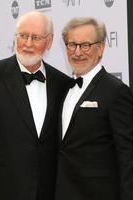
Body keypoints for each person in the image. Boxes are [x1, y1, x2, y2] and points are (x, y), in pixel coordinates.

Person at [0, 11, 70, 200]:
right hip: (0, 188)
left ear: (49, 42)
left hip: (48, 190)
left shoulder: (63, 83)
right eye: (23, 36)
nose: (28, 44)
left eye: (36, 37)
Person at [55, 16, 133, 200]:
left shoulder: (116, 91)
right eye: (72, 44)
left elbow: (128, 156)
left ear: (101, 48)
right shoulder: (63, 88)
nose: (77, 52)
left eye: (85, 45)